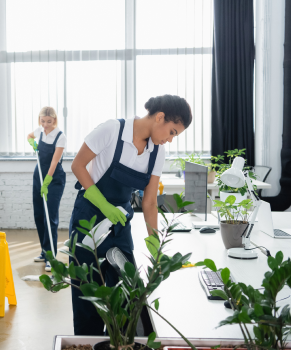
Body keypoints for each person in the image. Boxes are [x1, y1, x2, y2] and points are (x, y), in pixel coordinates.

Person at [69, 94, 192, 335]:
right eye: (172, 132)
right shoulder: (112, 130)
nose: (169, 140)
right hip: (90, 217)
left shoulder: (157, 152)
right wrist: (104, 206)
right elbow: (77, 166)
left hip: (120, 224)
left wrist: (155, 244)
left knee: (128, 293)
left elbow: (149, 202)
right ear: (160, 117)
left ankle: (118, 341)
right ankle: (89, 340)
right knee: (88, 291)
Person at [27, 107, 67, 272]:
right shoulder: (40, 131)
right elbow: (30, 136)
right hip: (39, 176)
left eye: (49, 122)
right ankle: (44, 251)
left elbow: (54, 162)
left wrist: (47, 181)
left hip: (53, 178)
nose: (45, 125)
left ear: (55, 120)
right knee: (39, 215)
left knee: (50, 217)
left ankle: (51, 257)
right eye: (42, 121)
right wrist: (32, 142)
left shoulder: (60, 137)